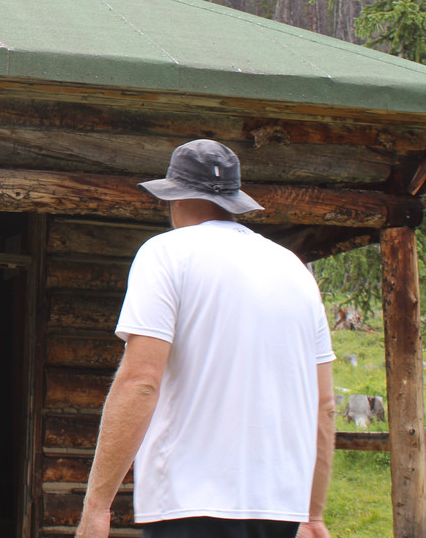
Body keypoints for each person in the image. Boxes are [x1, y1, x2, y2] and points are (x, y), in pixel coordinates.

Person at [77, 139, 336, 538]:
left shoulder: (166, 253)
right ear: (233, 201)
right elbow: (325, 406)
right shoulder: (295, 271)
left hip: (189, 506)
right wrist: (313, 515)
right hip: (280, 510)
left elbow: (141, 381)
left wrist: (97, 508)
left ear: (175, 199)